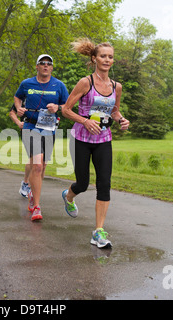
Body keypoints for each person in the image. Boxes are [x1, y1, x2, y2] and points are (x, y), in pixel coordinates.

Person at [61, 39, 130, 248]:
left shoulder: (116, 86)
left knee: (104, 185)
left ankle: (98, 231)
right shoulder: (85, 83)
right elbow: (66, 109)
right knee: (82, 183)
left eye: (110, 57)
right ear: (94, 59)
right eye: (103, 56)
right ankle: (69, 195)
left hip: (103, 140)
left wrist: (121, 120)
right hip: (81, 139)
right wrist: (85, 121)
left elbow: (115, 110)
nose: (107, 60)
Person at [14, 54, 69, 221]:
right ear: (37, 66)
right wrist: (19, 108)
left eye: (49, 63)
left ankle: (32, 193)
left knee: (42, 166)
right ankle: (37, 206)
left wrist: (57, 107)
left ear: (52, 67)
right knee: (37, 165)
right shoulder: (27, 83)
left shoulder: (59, 86)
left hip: (49, 129)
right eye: (42, 63)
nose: (46, 66)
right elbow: (17, 98)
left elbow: (67, 106)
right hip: (31, 126)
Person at [9, 102, 32, 198]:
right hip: (28, 130)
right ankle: (26, 185)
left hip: (45, 130)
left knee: (43, 162)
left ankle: (31, 186)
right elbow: (12, 112)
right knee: (34, 158)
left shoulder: (48, 92)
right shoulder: (24, 95)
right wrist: (18, 122)